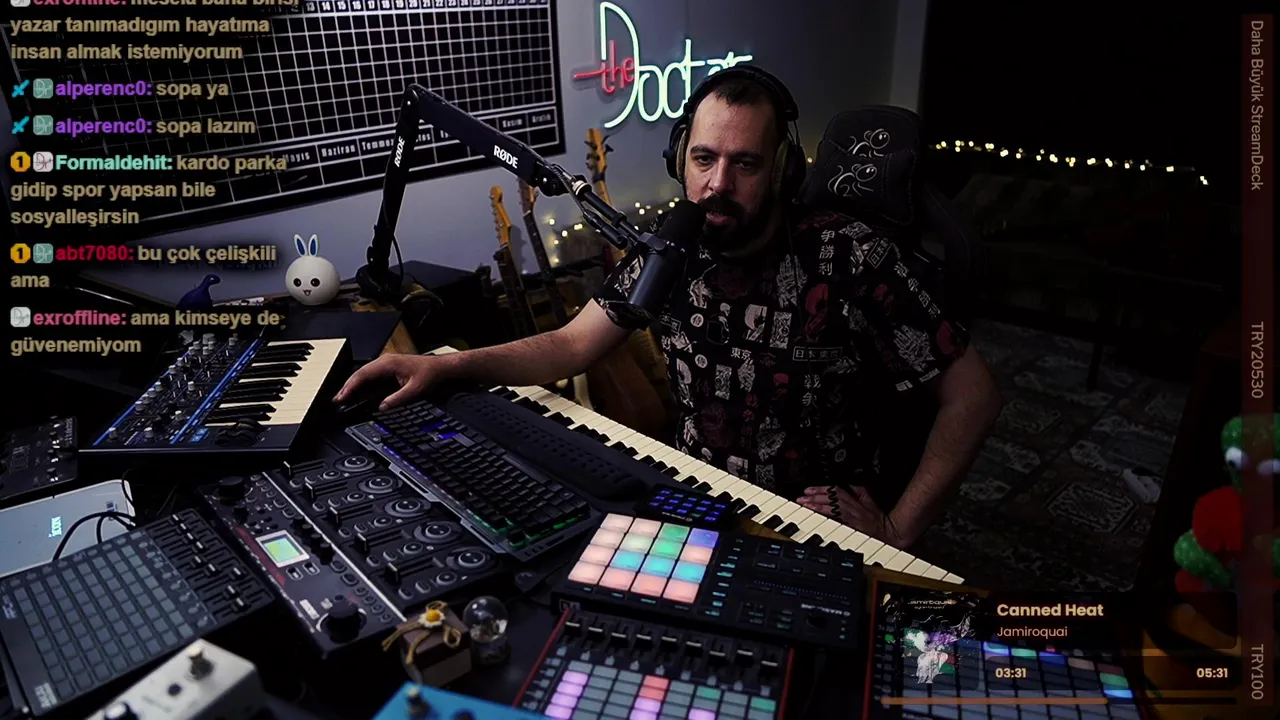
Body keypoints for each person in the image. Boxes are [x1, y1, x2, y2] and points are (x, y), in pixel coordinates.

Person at [335, 66, 1004, 550]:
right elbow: (571, 344)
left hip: (811, 523)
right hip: (695, 499)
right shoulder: (674, 246)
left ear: (781, 170)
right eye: (704, 158)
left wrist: (898, 529)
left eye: (746, 164)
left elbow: (974, 397)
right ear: (680, 157)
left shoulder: (850, 255)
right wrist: (445, 366)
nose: (718, 183)